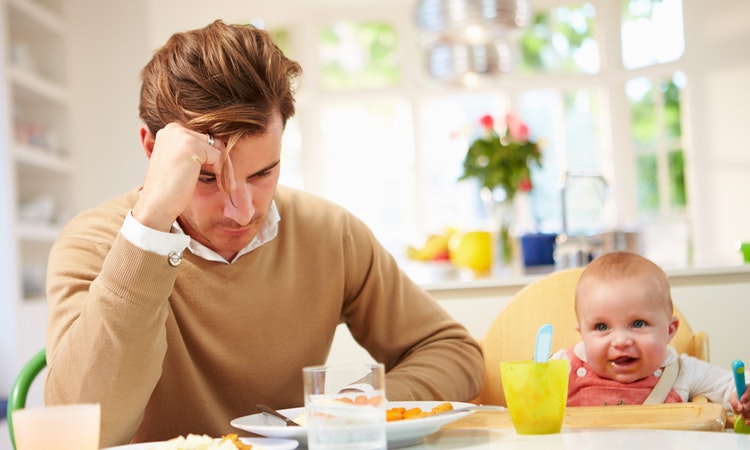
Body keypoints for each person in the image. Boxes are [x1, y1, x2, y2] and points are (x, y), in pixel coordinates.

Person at [44, 20, 484, 447]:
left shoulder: (329, 233)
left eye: (263, 173)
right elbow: (83, 434)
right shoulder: (94, 245)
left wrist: (364, 406)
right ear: (151, 149)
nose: (242, 210)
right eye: (207, 178)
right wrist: (150, 228)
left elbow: (451, 349)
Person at [551, 251, 749, 423]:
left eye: (638, 324)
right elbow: (523, 395)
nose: (620, 341)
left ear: (669, 330)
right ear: (583, 335)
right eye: (601, 326)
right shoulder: (563, 368)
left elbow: (730, 383)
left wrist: (743, 394)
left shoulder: (681, 371)